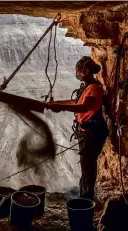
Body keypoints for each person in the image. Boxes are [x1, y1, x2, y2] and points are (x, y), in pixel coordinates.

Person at [47, 56, 108, 200]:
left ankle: (86, 201)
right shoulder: (87, 87)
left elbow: (83, 107)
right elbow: (76, 101)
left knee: (88, 167)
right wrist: (56, 103)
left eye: (78, 71)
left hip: (93, 132)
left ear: (86, 71)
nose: (77, 74)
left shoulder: (93, 88)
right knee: (86, 167)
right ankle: (84, 197)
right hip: (87, 131)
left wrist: (60, 107)